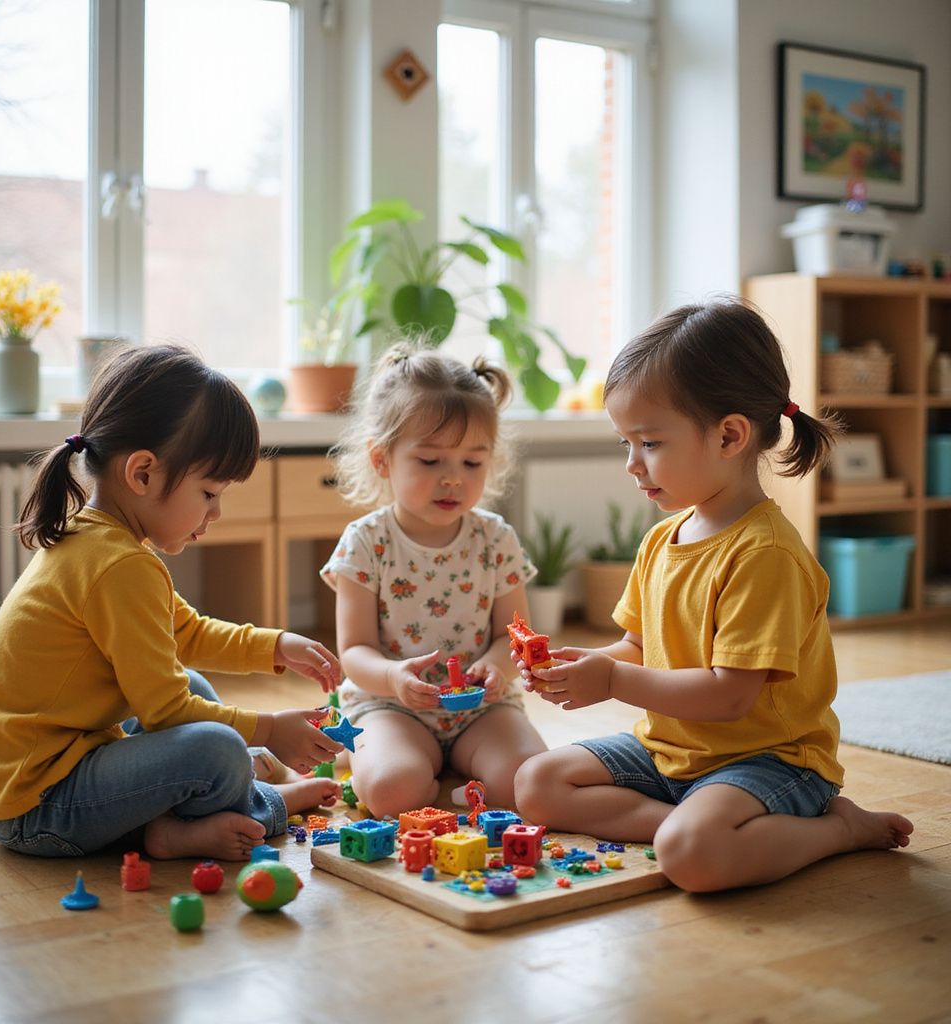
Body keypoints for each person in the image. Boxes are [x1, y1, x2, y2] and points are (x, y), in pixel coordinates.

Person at [514, 299, 913, 892]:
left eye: (648, 443)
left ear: (729, 435)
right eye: (626, 443)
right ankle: (696, 830)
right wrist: (589, 665)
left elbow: (730, 697)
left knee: (693, 860)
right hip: (672, 749)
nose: (632, 464)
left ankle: (839, 830)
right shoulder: (661, 541)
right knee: (536, 784)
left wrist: (614, 682)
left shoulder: (766, 554)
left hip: (769, 760)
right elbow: (637, 648)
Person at [0, 345, 344, 862]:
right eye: (209, 493)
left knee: (193, 685)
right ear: (142, 473)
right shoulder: (119, 565)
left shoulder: (104, 542)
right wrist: (271, 728)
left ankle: (174, 822)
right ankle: (253, 807)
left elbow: (184, 635)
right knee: (217, 747)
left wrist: (275, 646)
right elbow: (165, 713)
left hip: (39, 781)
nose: (216, 513)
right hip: (39, 810)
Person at [321, 343, 547, 818]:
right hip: (391, 706)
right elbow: (355, 651)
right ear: (383, 459)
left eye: (471, 463)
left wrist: (494, 666)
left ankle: (443, 778)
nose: (452, 480)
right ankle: (389, 760)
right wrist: (392, 678)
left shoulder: (495, 538)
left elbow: (515, 636)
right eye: (430, 462)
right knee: (389, 792)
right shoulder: (366, 542)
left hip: (482, 710)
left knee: (531, 781)